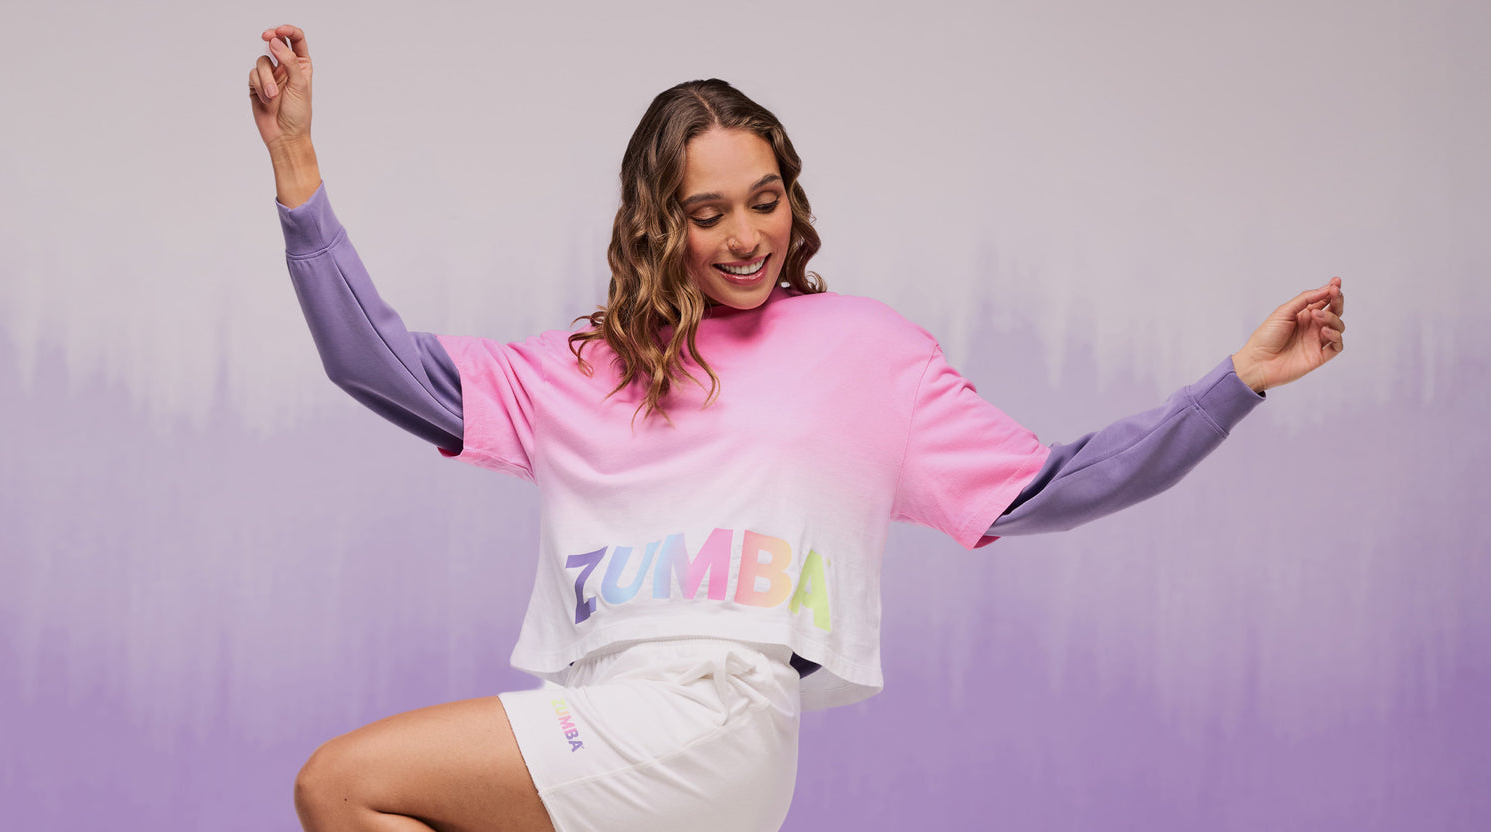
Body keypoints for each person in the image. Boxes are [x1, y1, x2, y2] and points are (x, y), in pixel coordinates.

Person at [248, 23, 1346, 832]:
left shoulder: (864, 353)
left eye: (765, 200)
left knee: (342, 787)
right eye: (707, 212)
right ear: (656, 223)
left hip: (714, 718)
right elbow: (372, 362)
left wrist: (1235, 383)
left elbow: (1056, 484)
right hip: (606, 709)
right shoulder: (581, 369)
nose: (745, 237)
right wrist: (296, 167)